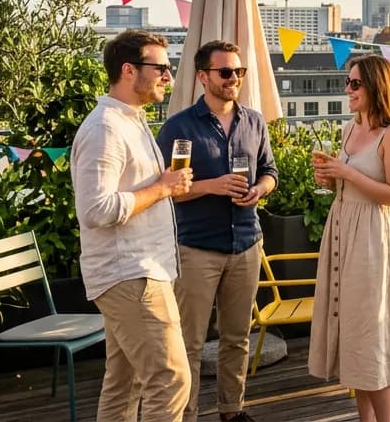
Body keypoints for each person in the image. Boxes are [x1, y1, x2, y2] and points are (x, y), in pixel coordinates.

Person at [73, 29, 193, 422]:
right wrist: (161, 189)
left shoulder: (131, 120)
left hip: (144, 268)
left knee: (125, 383)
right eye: (160, 68)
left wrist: (166, 187)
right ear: (128, 70)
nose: (168, 77)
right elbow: (96, 209)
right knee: (170, 379)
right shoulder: (104, 128)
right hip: (131, 273)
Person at [158, 41, 278, 422]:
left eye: (239, 72)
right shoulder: (179, 126)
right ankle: (187, 414)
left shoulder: (254, 121)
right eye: (225, 72)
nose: (234, 79)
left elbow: (270, 172)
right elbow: (165, 190)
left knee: (237, 337)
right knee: (189, 342)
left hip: (245, 242)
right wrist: (212, 185)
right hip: (197, 248)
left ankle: (232, 410)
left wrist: (259, 189)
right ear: (203, 77)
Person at [309, 55, 390, 422]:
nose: (348, 90)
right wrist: (331, 178)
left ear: (376, 87)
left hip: (372, 239)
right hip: (341, 232)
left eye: (355, 84)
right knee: (352, 335)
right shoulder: (350, 128)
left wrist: (346, 174)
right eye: (348, 82)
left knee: (372, 341)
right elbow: (348, 180)